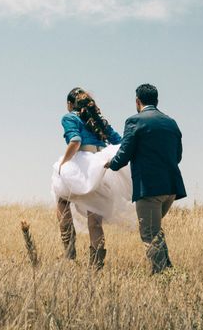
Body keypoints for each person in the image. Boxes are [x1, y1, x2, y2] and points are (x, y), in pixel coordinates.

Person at [105, 84, 186, 274]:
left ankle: (160, 276)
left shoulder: (134, 121)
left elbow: (124, 154)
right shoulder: (171, 122)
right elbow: (178, 155)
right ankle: (168, 271)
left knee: (149, 233)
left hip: (149, 189)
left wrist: (112, 163)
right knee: (155, 230)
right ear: (156, 101)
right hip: (171, 188)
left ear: (137, 101)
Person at [51, 87, 134, 269]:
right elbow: (120, 142)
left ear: (69, 104)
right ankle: (96, 265)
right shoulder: (98, 120)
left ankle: (69, 255)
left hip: (79, 166)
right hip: (100, 169)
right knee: (95, 221)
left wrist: (64, 163)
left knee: (62, 202)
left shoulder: (69, 117)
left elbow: (75, 141)